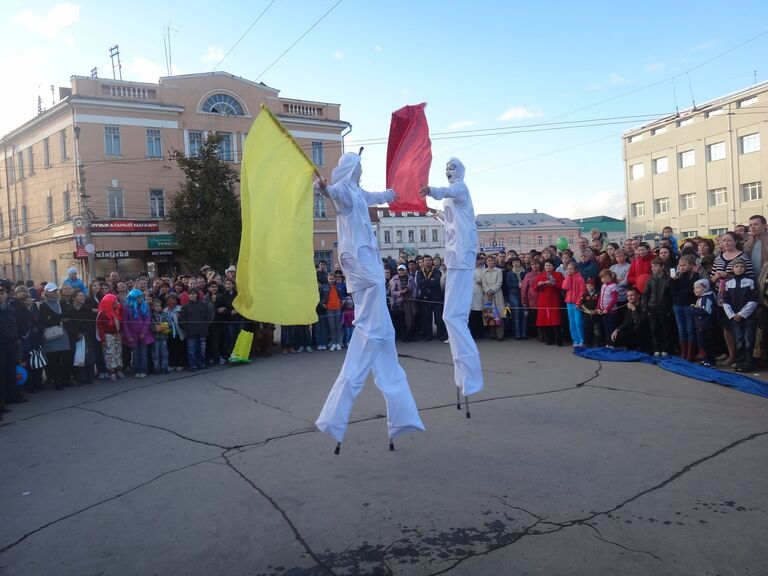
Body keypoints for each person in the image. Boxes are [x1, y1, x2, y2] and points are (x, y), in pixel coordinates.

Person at [314, 152, 424, 447]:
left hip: (369, 263)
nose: (361, 172)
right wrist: (321, 188)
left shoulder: (359, 193)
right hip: (360, 267)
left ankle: (399, 416)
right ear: (351, 169)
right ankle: (369, 333)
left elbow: (378, 194)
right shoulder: (346, 194)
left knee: (379, 333)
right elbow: (332, 194)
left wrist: (394, 191)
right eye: (359, 168)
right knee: (373, 329)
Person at [419, 157, 484, 398]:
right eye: (446, 169)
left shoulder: (460, 188)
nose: (448, 172)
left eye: (452, 168)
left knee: (453, 316)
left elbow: (447, 190)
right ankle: (463, 374)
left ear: (460, 171)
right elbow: (450, 219)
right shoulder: (451, 196)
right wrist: (435, 213)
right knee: (450, 316)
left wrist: (431, 190)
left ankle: (470, 375)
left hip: (463, 254)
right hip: (454, 254)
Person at [723, 258, 759, 372]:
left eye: (742, 267)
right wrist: (732, 315)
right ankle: (739, 361)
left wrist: (742, 314)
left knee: (748, 340)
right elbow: (726, 301)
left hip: (749, 316)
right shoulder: (729, 282)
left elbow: (754, 299)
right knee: (739, 339)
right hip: (734, 316)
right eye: (737, 267)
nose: (739, 269)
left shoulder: (751, 281)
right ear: (733, 269)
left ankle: (749, 363)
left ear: (745, 268)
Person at [671, 255, 700, 361]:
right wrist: (674, 281)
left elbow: (691, 290)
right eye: (680, 265)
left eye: (684, 265)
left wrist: (679, 291)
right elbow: (672, 291)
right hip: (677, 304)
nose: (682, 267)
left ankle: (691, 352)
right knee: (681, 330)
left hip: (689, 304)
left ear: (691, 265)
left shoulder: (695, 275)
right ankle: (683, 351)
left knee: (690, 329)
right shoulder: (677, 276)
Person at [642, 258, 673, 357]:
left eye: (655, 266)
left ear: (662, 267)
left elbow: (671, 295)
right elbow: (646, 294)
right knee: (654, 329)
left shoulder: (669, 279)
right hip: (652, 307)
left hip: (664, 307)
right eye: (652, 266)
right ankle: (656, 348)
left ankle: (665, 348)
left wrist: (670, 308)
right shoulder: (651, 279)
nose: (653, 268)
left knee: (665, 329)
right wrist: (645, 307)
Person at [692, 279, 717, 367]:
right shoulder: (702, 298)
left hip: (705, 326)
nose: (695, 290)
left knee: (706, 344)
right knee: (702, 343)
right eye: (694, 288)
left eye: (698, 288)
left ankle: (710, 361)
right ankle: (706, 359)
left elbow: (706, 311)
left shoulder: (706, 298)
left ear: (705, 288)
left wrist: (694, 309)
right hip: (701, 325)